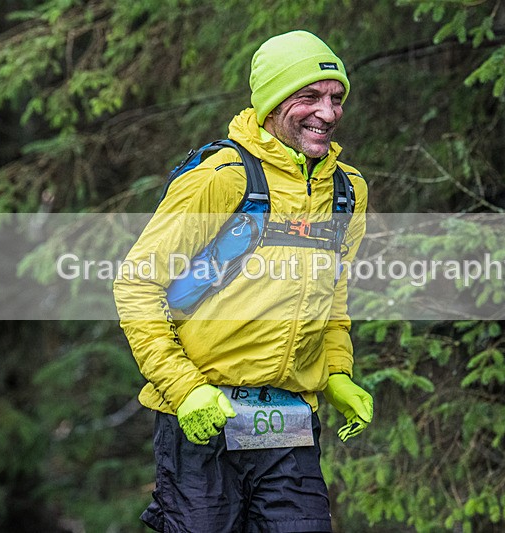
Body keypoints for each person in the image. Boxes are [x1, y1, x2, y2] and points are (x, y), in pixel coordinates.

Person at [114, 29, 373, 533]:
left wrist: (336, 371)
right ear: (274, 104)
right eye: (309, 97)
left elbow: (333, 297)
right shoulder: (225, 175)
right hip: (202, 420)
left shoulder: (346, 191)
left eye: (336, 98)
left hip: (289, 422)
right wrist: (184, 388)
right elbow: (137, 284)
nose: (328, 112)